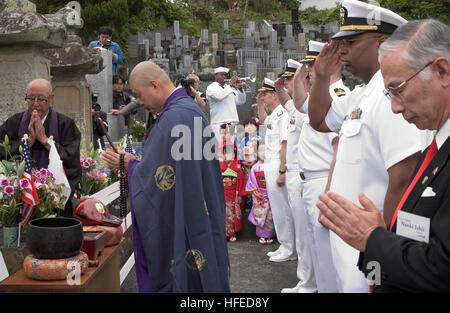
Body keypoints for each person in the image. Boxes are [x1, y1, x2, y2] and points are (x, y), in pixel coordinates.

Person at [317, 19, 450, 293]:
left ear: (442, 72)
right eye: (389, 93)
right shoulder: (438, 143)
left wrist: (374, 240)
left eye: (399, 89)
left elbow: (442, 266)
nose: (395, 107)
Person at [102, 60, 230, 293]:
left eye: (140, 95)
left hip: (185, 218)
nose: (140, 102)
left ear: (154, 85)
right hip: (199, 210)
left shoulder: (173, 118)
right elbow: (175, 171)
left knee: (185, 281)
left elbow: (157, 180)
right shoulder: (189, 110)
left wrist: (130, 165)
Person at [290, 41, 350, 293]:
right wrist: (296, 81)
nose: (309, 71)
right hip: (311, 180)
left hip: (325, 179)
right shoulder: (320, 96)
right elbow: (300, 104)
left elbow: (339, 150)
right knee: (316, 247)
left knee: (327, 253)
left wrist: (327, 192)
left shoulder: (339, 96)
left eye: (310, 67)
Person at [0, 78, 81, 217]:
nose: (35, 104)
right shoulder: (14, 122)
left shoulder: (65, 124)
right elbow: (2, 152)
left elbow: (71, 158)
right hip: (21, 198)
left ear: (51, 99)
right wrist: (28, 142)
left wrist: (45, 140)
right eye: (31, 98)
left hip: (54, 201)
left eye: (41, 99)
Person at [273, 58, 316, 293]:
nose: (288, 83)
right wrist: (279, 89)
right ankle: (306, 280)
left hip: (302, 174)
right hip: (295, 174)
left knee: (305, 233)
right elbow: (289, 105)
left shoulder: (308, 107)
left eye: (291, 79)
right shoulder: (298, 108)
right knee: (302, 233)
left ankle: (309, 283)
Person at [256, 78, 297, 263]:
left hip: (277, 165)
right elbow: (264, 123)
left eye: (265, 94)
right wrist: (258, 104)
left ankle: (290, 248)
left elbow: (284, 143)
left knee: (283, 210)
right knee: (278, 209)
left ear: (274, 94)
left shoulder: (283, 114)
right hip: (270, 164)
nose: (263, 97)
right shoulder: (274, 114)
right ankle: (284, 244)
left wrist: (282, 170)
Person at [246, 142, 275, 244]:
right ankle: (262, 236)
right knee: (260, 215)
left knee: (270, 217)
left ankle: (269, 235)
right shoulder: (255, 167)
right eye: (261, 150)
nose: (263, 153)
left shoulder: (272, 166)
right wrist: (255, 192)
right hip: (259, 195)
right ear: (257, 153)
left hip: (270, 193)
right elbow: (252, 182)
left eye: (265, 150)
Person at [206, 67, 246, 140]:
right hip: (219, 122)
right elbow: (219, 96)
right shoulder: (211, 87)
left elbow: (241, 101)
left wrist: (240, 89)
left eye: (225, 75)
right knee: (220, 148)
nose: (224, 77)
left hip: (232, 122)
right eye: (222, 75)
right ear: (216, 76)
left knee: (232, 148)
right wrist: (230, 85)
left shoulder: (230, 88)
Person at [220, 143, 247, 242]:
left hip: (234, 194)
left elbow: (240, 182)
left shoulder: (238, 169)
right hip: (223, 193)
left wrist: (240, 194)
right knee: (224, 214)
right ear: (223, 155)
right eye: (227, 153)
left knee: (233, 214)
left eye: (232, 154)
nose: (230, 155)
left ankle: (232, 234)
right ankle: (224, 233)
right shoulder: (220, 168)